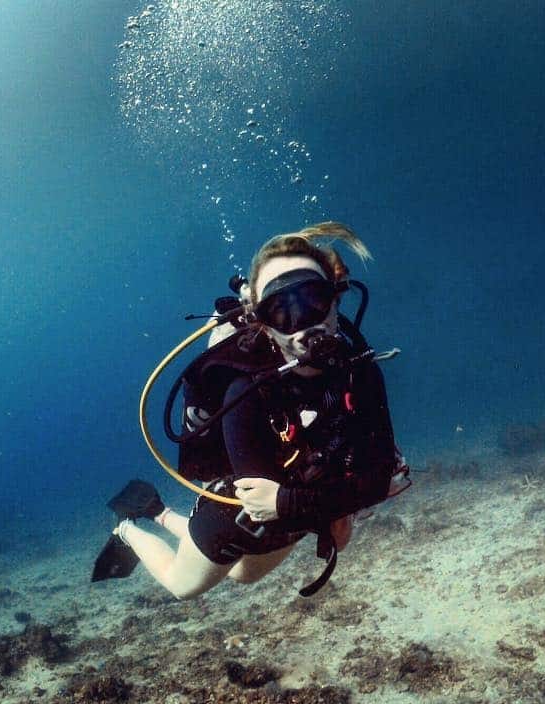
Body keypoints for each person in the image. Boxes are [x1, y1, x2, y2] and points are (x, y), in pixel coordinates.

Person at [99, 222, 405, 599]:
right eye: (282, 311)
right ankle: (127, 529)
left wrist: (302, 502)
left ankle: (158, 511)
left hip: (288, 512)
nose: (303, 324)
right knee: (183, 586)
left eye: (312, 300)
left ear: (336, 298)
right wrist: (340, 499)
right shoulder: (245, 391)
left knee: (243, 575)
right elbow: (262, 505)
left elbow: (377, 478)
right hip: (235, 510)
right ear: (261, 321)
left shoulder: (361, 372)